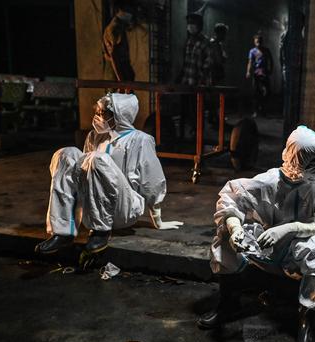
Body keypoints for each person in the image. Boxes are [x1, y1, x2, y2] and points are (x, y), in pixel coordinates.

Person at [198, 126, 315, 342]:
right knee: (225, 234)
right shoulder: (268, 181)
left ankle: (308, 323)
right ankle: (228, 303)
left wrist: (290, 228)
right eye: (311, 162)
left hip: (302, 246)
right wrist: (236, 229)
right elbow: (231, 198)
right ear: (295, 159)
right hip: (267, 246)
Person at [35, 93, 183, 255]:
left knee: (96, 158)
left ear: (119, 115)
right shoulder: (94, 136)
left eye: (102, 113)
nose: (97, 117)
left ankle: (101, 232)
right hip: (91, 207)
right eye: (97, 112)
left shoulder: (140, 140)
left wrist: (157, 219)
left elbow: (152, 180)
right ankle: (63, 231)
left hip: (123, 208)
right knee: (66, 154)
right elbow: (82, 173)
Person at [177, 13, 209, 139]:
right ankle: (182, 135)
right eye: (188, 23)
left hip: (197, 83)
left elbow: (208, 63)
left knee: (196, 110)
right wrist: (180, 76)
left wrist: (203, 81)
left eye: (193, 23)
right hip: (186, 82)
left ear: (199, 26)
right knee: (184, 109)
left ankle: (197, 134)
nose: (190, 26)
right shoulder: (188, 42)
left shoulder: (205, 43)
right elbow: (186, 62)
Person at [103, 5, 135, 83]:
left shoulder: (119, 27)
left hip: (119, 72)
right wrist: (120, 79)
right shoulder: (115, 28)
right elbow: (113, 56)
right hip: (117, 73)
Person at [246, 34, 273, 117]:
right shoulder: (252, 51)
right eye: (257, 41)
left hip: (264, 73)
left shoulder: (266, 50)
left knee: (266, 92)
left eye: (260, 41)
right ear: (254, 41)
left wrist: (270, 69)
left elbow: (271, 60)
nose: (258, 42)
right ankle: (256, 111)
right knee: (256, 92)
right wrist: (248, 71)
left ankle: (264, 110)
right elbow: (250, 62)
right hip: (256, 73)